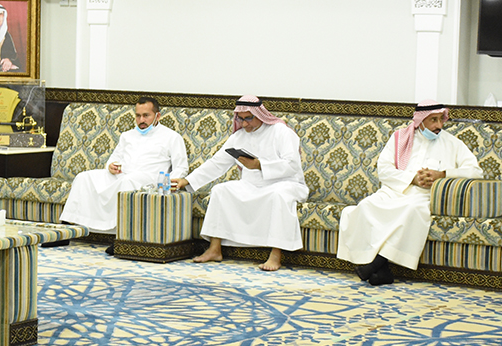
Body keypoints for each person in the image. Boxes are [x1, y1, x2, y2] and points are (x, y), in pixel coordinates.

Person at [337, 100, 483, 286]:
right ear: (420, 120)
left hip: (425, 196)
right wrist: (411, 179)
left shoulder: (452, 143)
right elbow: (384, 169)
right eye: (433, 120)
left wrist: (443, 175)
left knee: (413, 210)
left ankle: (375, 264)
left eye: (441, 119)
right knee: (367, 205)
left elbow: (475, 172)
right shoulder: (400, 139)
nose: (439, 125)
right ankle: (381, 270)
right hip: (396, 190)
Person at [171, 95, 308, 271]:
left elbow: (292, 165)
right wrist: (187, 180)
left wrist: (259, 165)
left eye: (248, 118)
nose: (244, 124)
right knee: (221, 190)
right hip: (251, 185)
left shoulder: (281, 132)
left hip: (285, 183)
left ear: (260, 114)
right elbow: (217, 163)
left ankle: (276, 255)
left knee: (278, 195)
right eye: (240, 119)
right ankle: (214, 249)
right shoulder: (239, 136)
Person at [58, 97, 189, 252]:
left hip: (150, 179)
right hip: (123, 174)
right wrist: (111, 166)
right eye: (138, 115)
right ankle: (64, 233)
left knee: (128, 181)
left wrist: (167, 183)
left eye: (146, 115)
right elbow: (114, 159)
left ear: (157, 116)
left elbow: (181, 167)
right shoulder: (127, 135)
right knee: (84, 177)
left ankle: (122, 238)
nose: (141, 120)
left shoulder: (172, 137)